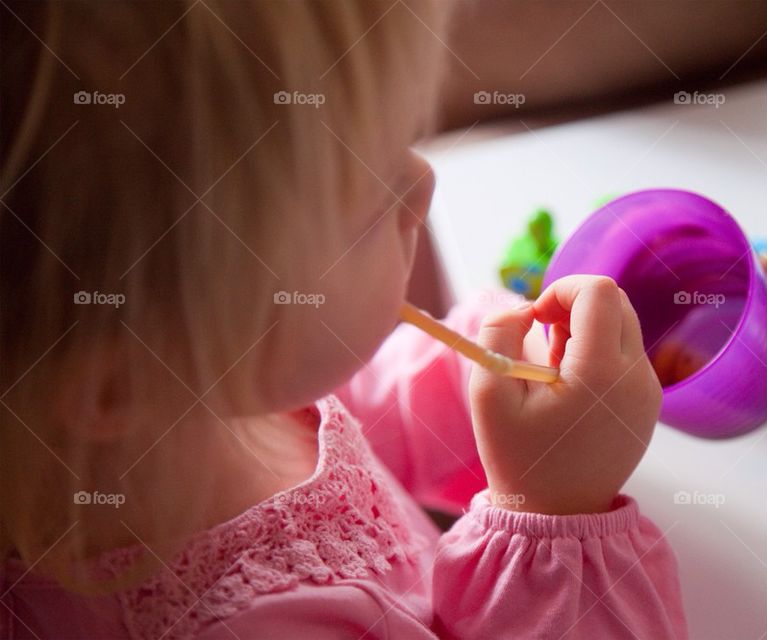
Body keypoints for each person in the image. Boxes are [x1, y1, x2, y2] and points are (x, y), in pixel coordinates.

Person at [0, 2, 685, 637]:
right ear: (121, 386)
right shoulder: (257, 626)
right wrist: (558, 515)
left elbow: (352, 418)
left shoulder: (193, 399)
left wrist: (466, 383)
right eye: (372, 200)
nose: (423, 185)